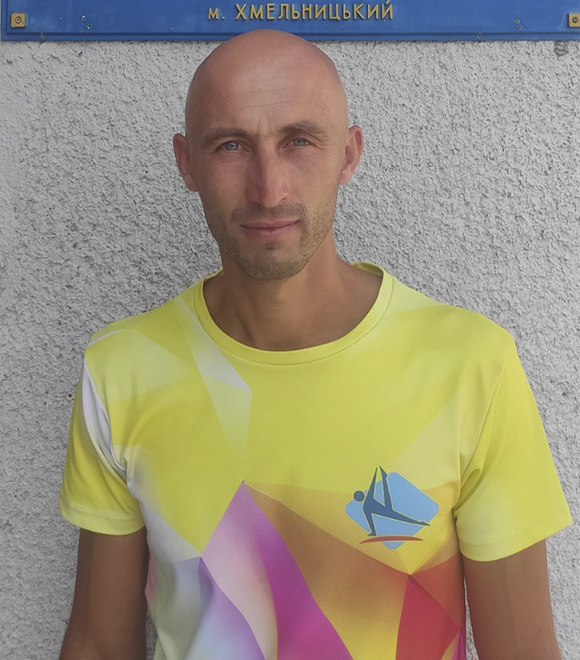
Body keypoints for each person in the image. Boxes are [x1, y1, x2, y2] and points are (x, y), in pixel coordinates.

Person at [59, 29, 571, 660]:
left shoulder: (472, 366)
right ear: (186, 163)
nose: (268, 188)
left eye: (299, 140)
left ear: (349, 155)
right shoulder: (122, 370)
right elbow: (99, 645)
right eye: (230, 145)